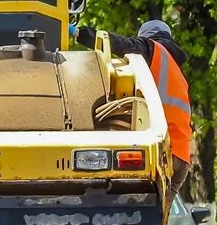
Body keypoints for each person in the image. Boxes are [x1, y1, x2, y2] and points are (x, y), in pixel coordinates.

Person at [70, 19, 191, 179]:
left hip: (162, 150)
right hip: (182, 157)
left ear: (147, 37)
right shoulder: (177, 72)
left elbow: (121, 44)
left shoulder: (152, 49)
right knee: (159, 204)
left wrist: (81, 34)